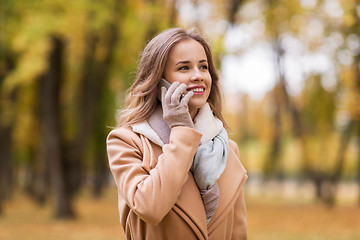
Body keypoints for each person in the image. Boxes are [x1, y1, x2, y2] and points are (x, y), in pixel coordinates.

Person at [106, 27, 248, 240]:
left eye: (203, 67)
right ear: (158, 80)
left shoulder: (227, 149)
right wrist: (182, 132)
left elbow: (238, 234)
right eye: (184, 68)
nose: (198, 76)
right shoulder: (126, 142)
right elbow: (150, 207)